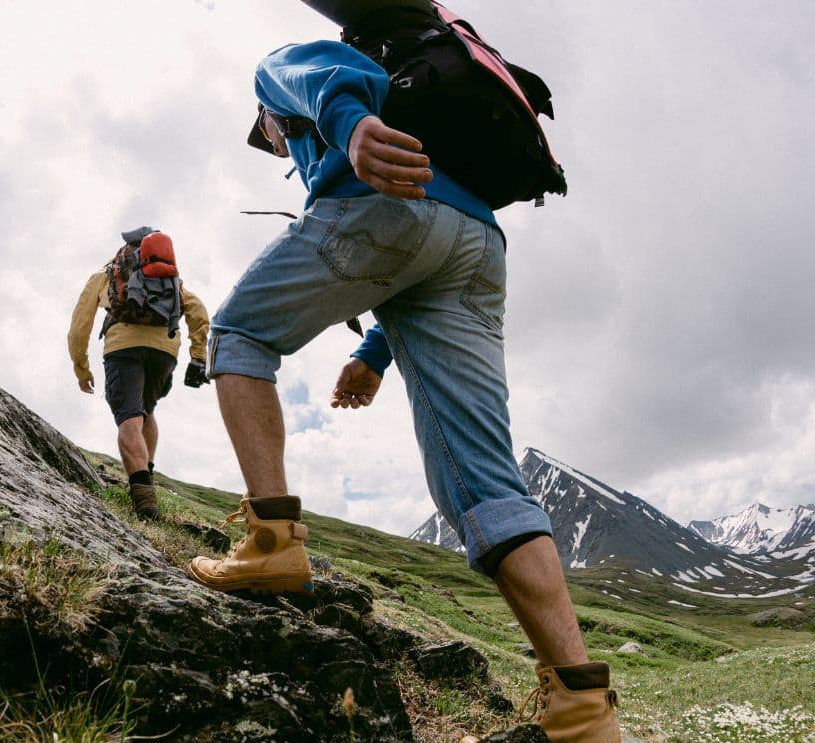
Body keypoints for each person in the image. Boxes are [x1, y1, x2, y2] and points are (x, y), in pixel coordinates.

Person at [185, 5, 620, 741]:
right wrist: (372, 354)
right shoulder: (428, 94)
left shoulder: (282, 77)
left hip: (384, 207)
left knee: (238, 336)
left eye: (266, 136)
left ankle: (271, 544)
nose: (272, 143)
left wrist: (352, 129)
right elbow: (422, 259)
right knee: (487, 485)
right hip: (477, 243)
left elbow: (318, 75)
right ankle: (582, 707)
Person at [68, 227, 210, 520]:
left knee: (129, 418)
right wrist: (198, 355)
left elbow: (80, 324)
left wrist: (81, 367)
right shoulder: (170, 280)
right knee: (147, 410)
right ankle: (147, 475)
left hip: (124, 348)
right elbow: (198, 311)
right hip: (165, 352)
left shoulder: (107, 275)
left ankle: (145, 503)